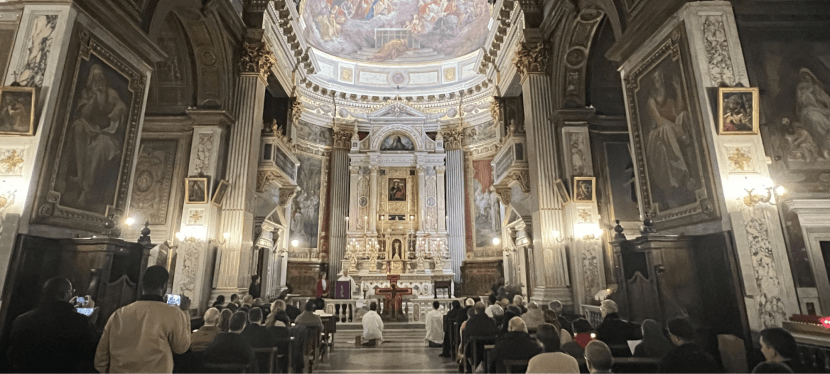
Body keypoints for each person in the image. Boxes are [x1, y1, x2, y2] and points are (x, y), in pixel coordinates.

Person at [94, 266, 191, 373]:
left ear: (142, 285)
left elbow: (101, 357)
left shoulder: (119, 314)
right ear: (163, 286)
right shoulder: (173, 314)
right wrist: (185, 312)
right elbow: (181, 347)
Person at [7, 277, 98, 372]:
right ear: (66, 294)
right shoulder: (81, 322)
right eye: (71, 291)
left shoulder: (22, 320)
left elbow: (14, 355)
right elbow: (88, 354)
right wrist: (89, 320)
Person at [463, 302, 499, 372]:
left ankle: (468, 370)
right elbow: (496, 333)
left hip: (474, 351)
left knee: (466, 347)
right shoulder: (491, 321)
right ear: (484, 309)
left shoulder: (470, 322)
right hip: (490, 352)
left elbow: (466, 337)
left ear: (475, 310)